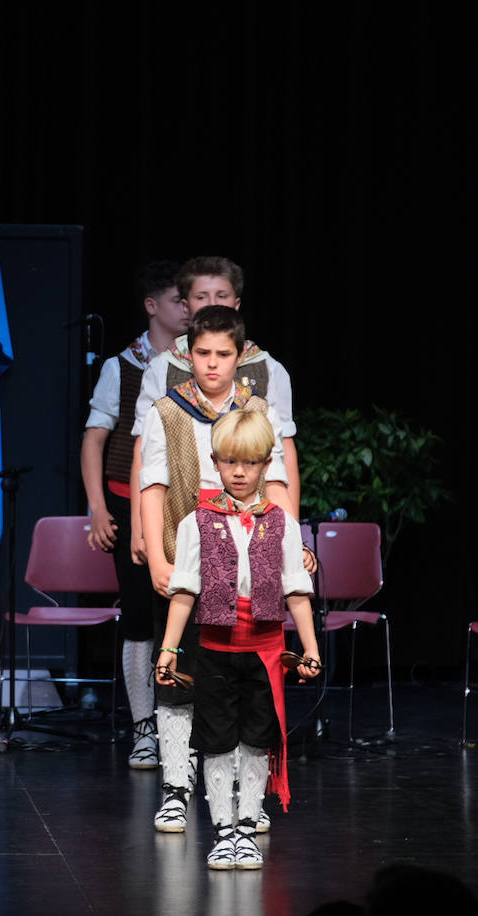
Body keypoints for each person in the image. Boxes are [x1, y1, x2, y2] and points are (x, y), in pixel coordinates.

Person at [137, 304, 300, 834]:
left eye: (222, 354)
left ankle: (241, 796)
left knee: (245, 681)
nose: (212, 365)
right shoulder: (168, 410)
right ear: (187, 354)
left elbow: (275, 481)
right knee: (180, 676)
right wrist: (158, 555)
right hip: (189, 551)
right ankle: (175, 788)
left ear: (240, 356)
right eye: (202, 353)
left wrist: (288, 542)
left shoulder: (258, 411)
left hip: (248, 555)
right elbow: (152, 486)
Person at [155, 408, 320, 870]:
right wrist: (169, 649)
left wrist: (310, 648)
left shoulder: (282, 524)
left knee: (256, 742)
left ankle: (247, 828)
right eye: (230, 462)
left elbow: (297, 592)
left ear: (267, 465)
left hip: (265, 653)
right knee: (216, 741)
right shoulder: (197, 523)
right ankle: (222, 831)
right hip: (215, 652)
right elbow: (184, 591)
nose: (240, 472)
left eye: (249, 463)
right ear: (216, 462)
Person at [80, 259, 186, 769]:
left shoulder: (201, 361)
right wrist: (99, 509)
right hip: (130, 501)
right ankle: (145, 726)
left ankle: (182, 725)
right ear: (152, 306)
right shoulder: (121, 366)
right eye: (177, 300)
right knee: (141, 616)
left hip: (187, 503)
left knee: (186, 612)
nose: (188, 308)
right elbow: (94, 441)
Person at [131, 255, 301, 512]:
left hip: (250, 512)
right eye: (201, 297)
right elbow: (144, 454)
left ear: (237, 303)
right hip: (178, 514)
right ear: (186, 306)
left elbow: (282, 454)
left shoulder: (267, 368)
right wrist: (139, 529)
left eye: (221, 296)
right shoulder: (163, 368)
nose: (212, 304)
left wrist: (292, 529)